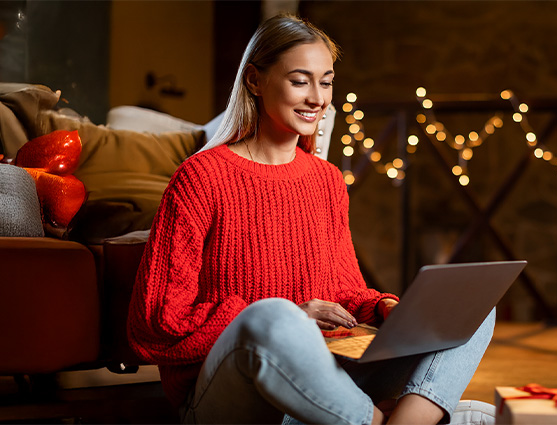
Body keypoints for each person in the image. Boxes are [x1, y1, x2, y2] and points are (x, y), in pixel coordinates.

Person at [127, 14, 495, 425]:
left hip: (327, 378)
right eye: (300, 81)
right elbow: (156, 326)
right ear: (254, 80)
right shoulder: (200, 177)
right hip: (227, 393)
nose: (317, 98)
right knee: (273, 317)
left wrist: (387, 308)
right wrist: (291, 314)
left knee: (469, 306)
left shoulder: (326, 180)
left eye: (327, 81)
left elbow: (344, 292)